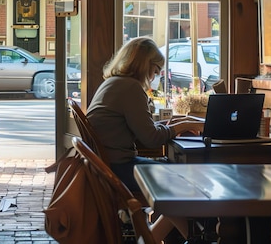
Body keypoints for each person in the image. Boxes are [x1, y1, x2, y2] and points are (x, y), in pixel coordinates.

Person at [86, 36, 204, 242]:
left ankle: (155, 238)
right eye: (157, 69)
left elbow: (144, 130)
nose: (157, 75)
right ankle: (193, 238)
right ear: (144, 65)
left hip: (105, 167)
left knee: (173, 176)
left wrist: (176, 125)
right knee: (180, 180)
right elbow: (151, 139)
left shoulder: (113, 83)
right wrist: (184, 125)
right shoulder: (131, 88)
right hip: (117, 169)